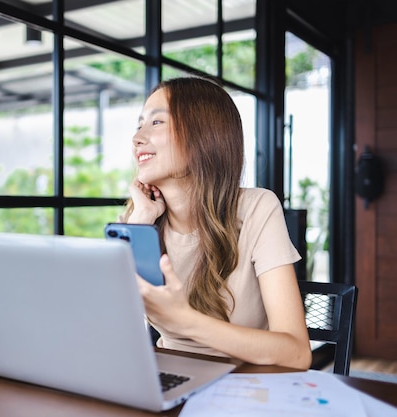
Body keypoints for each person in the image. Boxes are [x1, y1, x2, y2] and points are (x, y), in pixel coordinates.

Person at [120, 75, 312, 370]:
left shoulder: (256, 209)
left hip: (246, 383)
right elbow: (111, 329)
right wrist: (137, 227)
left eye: (156, 122)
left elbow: (297, 353)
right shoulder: (139, 220)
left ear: (203, 135)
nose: (137, 138)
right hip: (166, 376)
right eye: (139, 124)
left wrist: (186, 321)